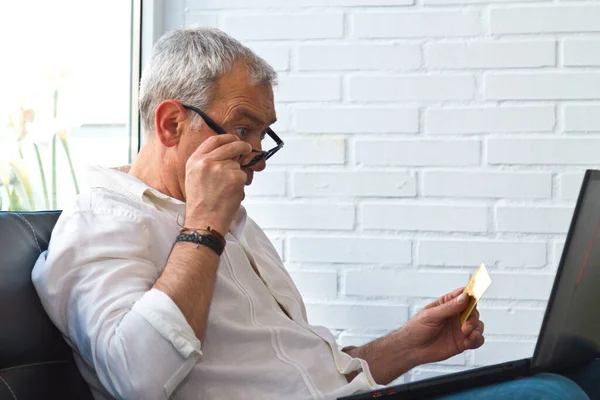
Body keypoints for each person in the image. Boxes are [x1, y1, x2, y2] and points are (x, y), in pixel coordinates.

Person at [32, 27, 598, 400]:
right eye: (242, 129)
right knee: (559, 392)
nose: (256, 156)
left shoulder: (234, 222)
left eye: (263, 134)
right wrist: (202, 228)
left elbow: (291, 368)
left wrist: (410, 347)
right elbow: (137, 378)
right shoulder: (101, 224)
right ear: (171, 124)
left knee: (574, 374)